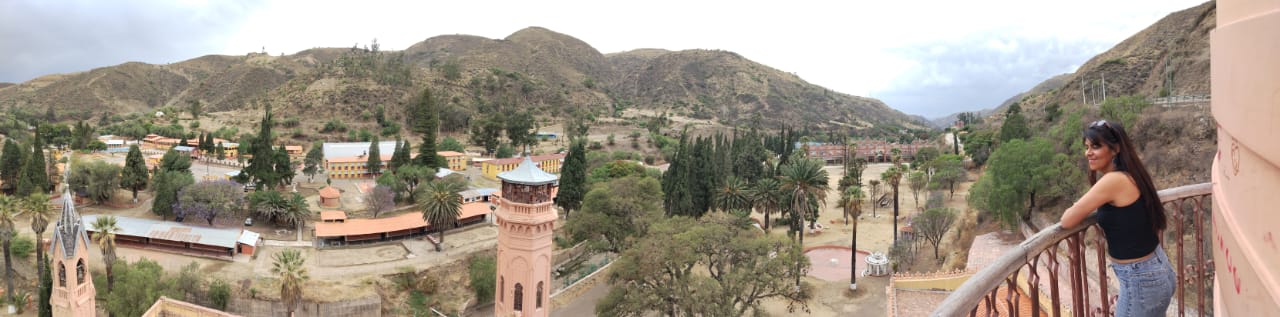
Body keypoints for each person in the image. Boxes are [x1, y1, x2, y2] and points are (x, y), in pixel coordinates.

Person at [1060, 120, 1175, 317]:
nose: (1088, 153)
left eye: (1096, 146)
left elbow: (1067, 221)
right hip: (1157, 269)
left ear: (1115, 149)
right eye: (1087, 147)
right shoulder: (1131, 173)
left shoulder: (1113, 181)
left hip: (1141, 281)